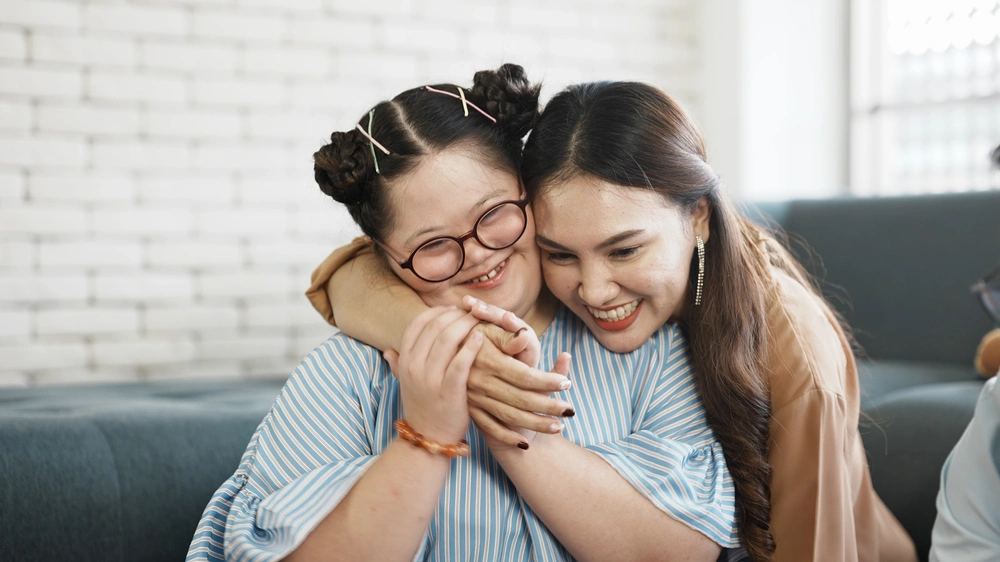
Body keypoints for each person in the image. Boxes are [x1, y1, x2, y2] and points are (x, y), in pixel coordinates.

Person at [312, 79, 920, 561]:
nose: (595, 290)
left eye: (625, 249)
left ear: (700, 218)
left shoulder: (797, 361)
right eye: (559, 253)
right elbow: (350, 271)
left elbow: (812, 545)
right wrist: (468, 361)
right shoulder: (486, 252)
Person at [186, 65, 740, 561]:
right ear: (385, 259)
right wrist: (424, 437)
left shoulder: (651, 350)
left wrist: (512, 427)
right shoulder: (348, 375)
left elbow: (680, 550)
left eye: (494, 214)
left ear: (530, 193)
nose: (477, 254)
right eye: (433, 245)